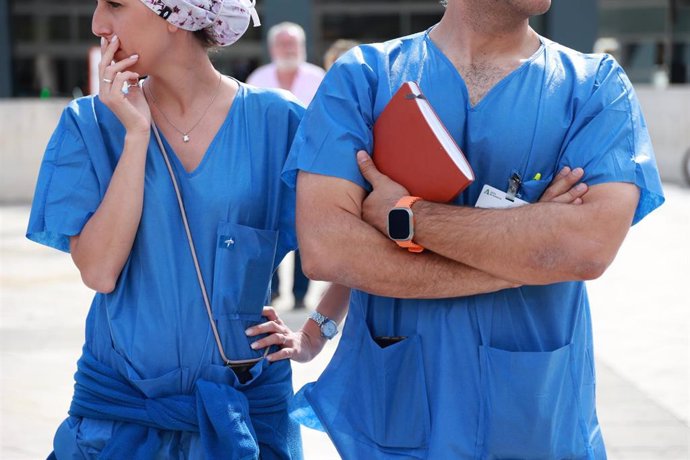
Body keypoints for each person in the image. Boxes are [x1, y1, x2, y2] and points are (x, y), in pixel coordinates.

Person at [247, 0, 665, 458]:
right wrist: (526, 253)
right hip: (398, 407)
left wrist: (405, 216)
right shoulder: (365, 78)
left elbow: (586, 247)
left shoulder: (595, 87)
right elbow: (329, 249)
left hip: (532, 414)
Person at [26, 0, 307, 458]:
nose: (98, 23)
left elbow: (356, 234)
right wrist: (136, 136)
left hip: (245, 413)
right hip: (119, 419)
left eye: (114, 4)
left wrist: (314, 332)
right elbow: (98, 271)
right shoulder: (90, 124)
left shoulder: (278, 121)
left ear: (178, 16)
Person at [246, 22, 325, 309]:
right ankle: (275, 290)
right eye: (283, 44)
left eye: (293, 44)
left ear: (303, 47)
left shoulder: (319, 78)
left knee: (306, 229)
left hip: (309, 168)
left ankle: (303, 294)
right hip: (269, 168)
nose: (288, 49)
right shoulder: (258, 78)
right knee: (271, 228)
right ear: (272, 48)